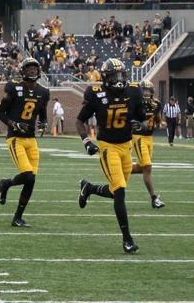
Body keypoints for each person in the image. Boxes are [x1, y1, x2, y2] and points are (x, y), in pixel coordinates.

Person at [77, 58, 147, 254]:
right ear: (106, 78)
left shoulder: (133, 91)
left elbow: (144, 121)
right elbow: (80, 120)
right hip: (108, 147)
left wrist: (140, 125)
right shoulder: (96, 93)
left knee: (116, 190)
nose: (119, 79)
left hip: (127, 146)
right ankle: (127, 239)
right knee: (121, 192)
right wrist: (86, 142)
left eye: (122, 74)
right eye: (115, 75)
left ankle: (88, 188)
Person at [0, 57, 49, 227]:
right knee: (27, 174)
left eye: (35, 68)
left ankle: (17, 217)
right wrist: (13, 124)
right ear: (23, 71)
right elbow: (0, 113)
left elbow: (43, 113)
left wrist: (44, 123)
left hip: (31, 139)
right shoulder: (14, 87)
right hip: (15, 138)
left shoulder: (43, 91)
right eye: (29, 68)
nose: (33, 71)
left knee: (31, 179)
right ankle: (6, 184)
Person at [130, 80, 165, 208]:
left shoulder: (157, 103)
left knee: (141, 168)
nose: (145, 92)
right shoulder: (135, 103)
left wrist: (161, 122)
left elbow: (157, 117)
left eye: (148, 90)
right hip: (138, 136)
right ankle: (154, 198)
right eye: (143, 90)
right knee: (147, 167)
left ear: (152, 92)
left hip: (149, 137)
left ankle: (122, 168)